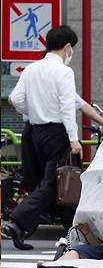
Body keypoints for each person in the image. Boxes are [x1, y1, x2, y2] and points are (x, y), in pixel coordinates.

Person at [3, 25, 82, 251]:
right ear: (67, 47)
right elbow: (67, 107)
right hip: (57, 133)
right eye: (71, 49)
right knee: (55, 183)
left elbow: (15, 99)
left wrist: (32, 111)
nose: (71, 53)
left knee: (51, 182)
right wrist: (74, 138)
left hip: (36, 132)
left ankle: (68, 231)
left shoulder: (31, 70)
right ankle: (17, 222)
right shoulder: (64, 72)